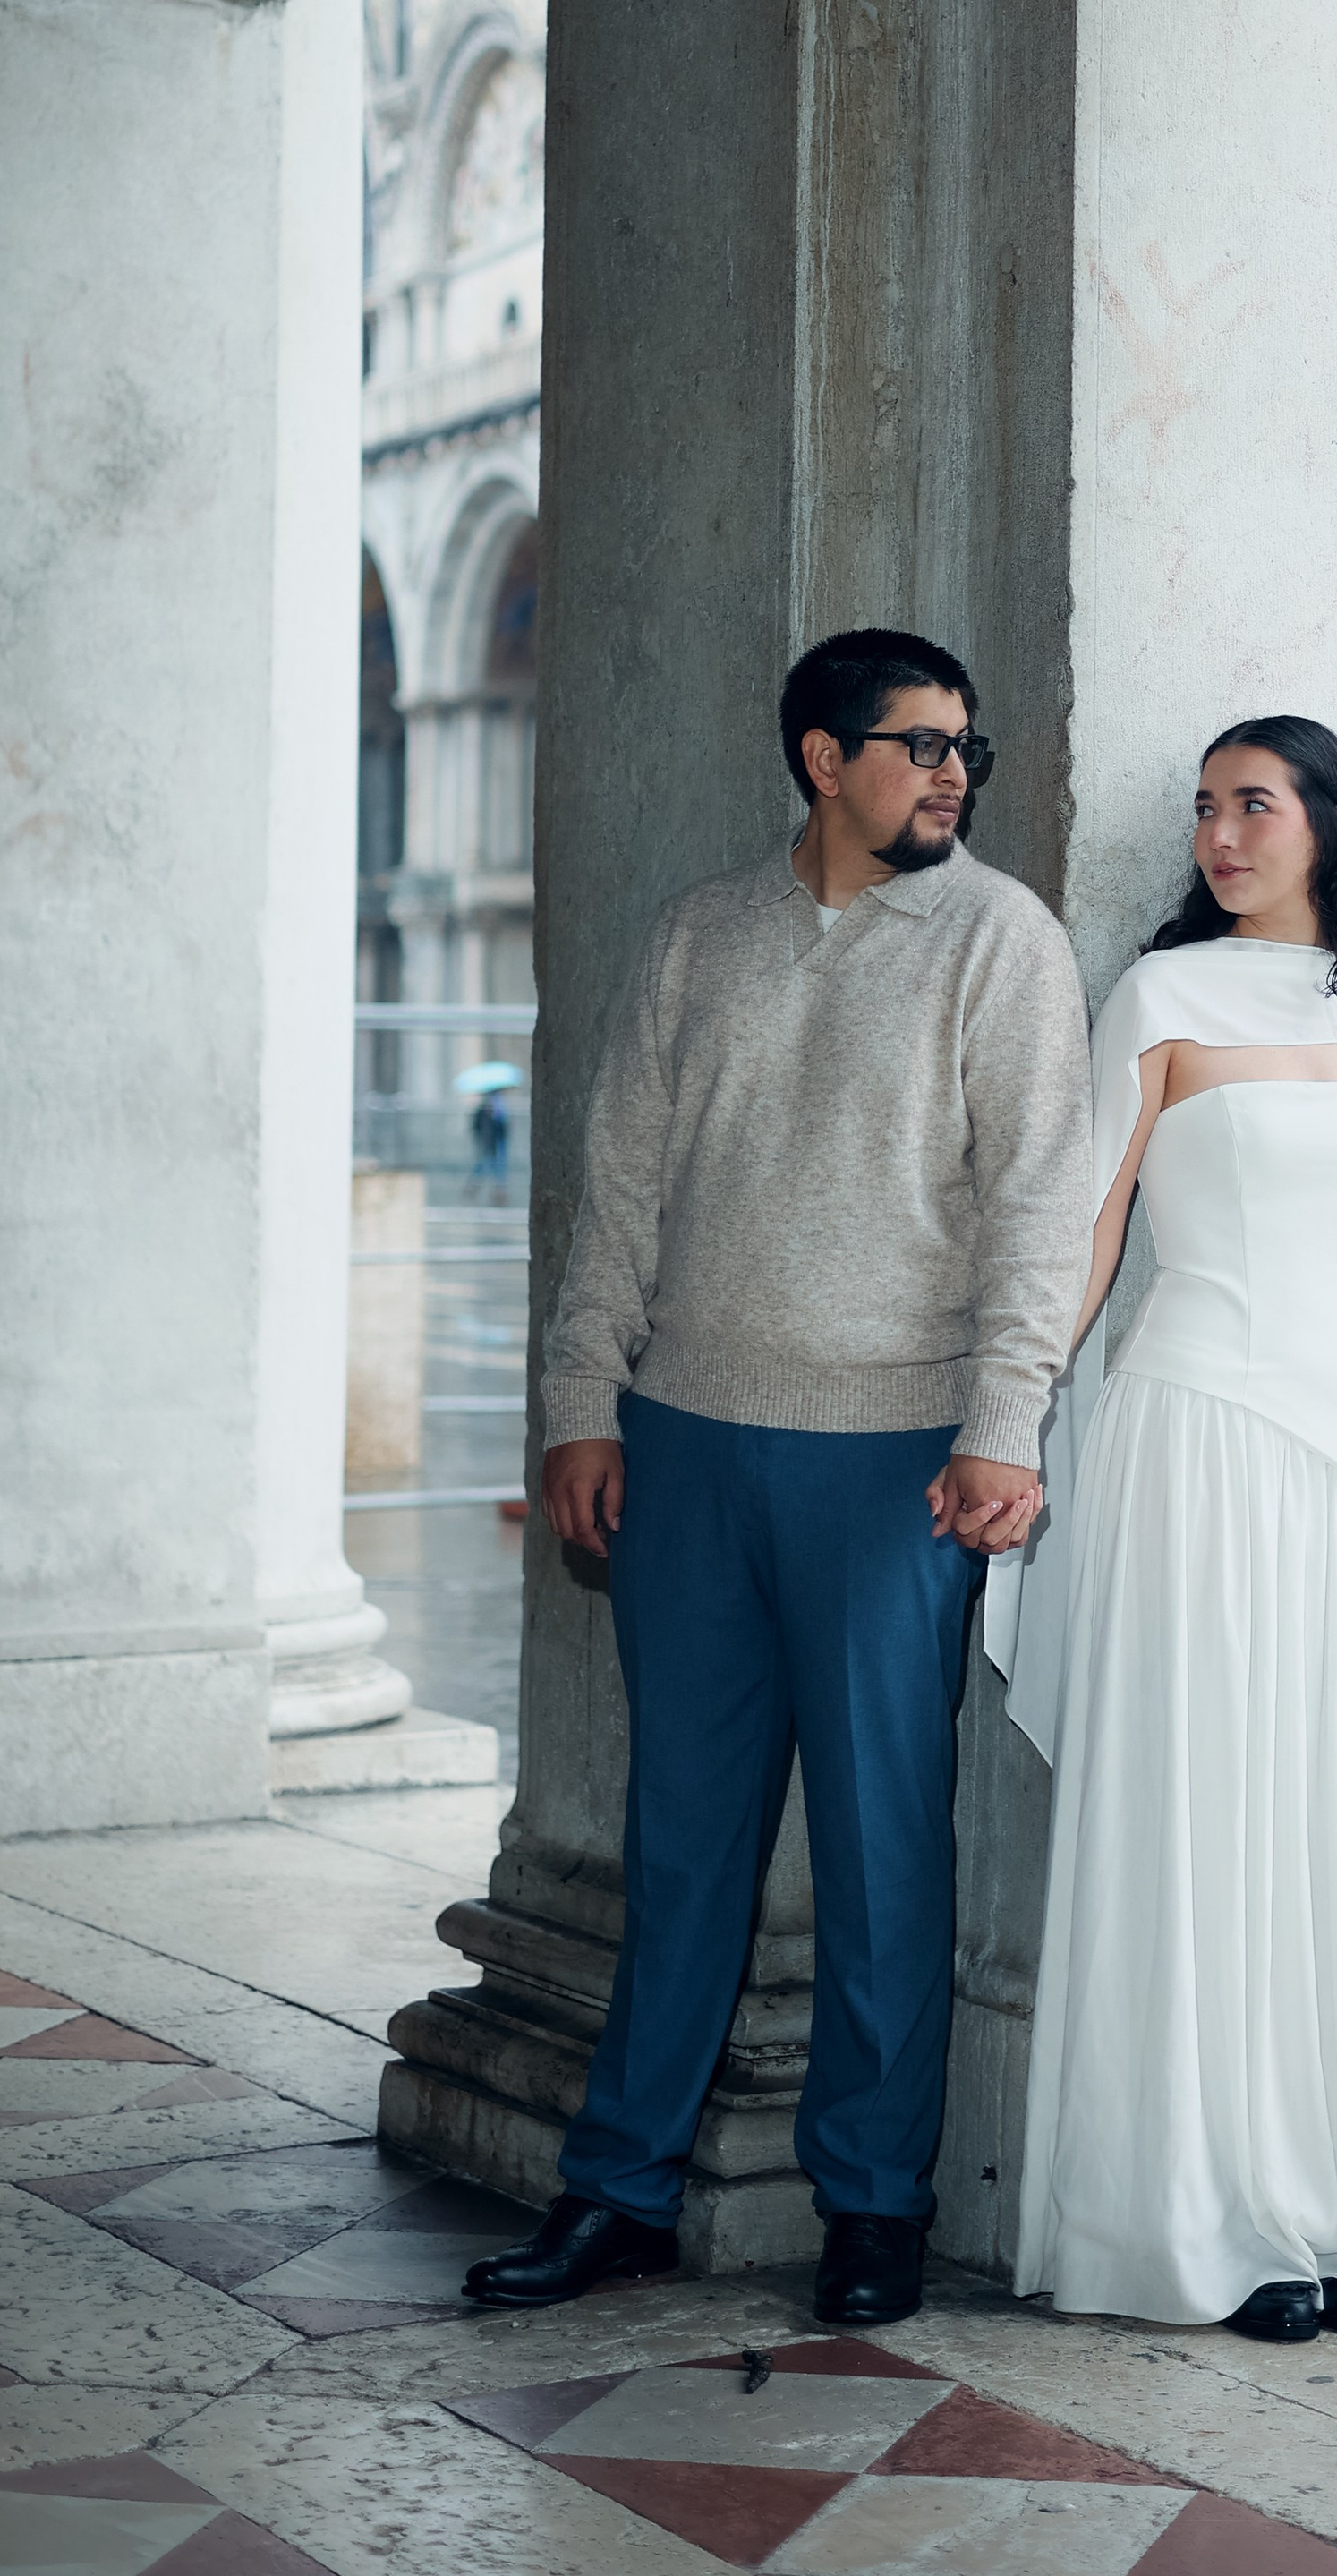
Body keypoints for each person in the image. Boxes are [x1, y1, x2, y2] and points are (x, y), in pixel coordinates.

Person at [464, 629, 1094, 2324]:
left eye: (968, 744)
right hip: (683, 1443)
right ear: (824, 759)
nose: (954, 770)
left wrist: (1003, 1426)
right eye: (921, 744)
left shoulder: (1001, 941)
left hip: (895, 1462)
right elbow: (620, 1192)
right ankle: (620, 2190)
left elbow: (1042, 1206)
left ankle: (874, 2207)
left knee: (887, 1851)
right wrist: (583, 1399)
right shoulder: (700, 937)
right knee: (686, 1845)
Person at [1002, 717, 1337, 2340]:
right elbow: (1082, 1237)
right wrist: (1009, 1421)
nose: (1220, 833)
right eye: (1207, 808)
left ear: (1331, 823)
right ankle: (1199, 2226)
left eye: (1253, 804)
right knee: (1199, 1820)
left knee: (1335, 1833)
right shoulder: (1157, 997)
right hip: (1191, 1438)